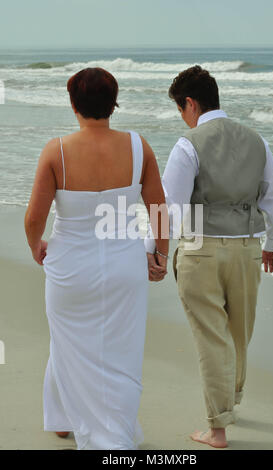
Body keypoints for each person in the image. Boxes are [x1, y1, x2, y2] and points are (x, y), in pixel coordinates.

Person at [145, 65, 273, 449]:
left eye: (181, 108)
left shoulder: (188, 143)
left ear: (190, 103)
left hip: (201, 250)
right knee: (239, 334)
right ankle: (232, 403)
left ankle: (218, 429)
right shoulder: (257, 141)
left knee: (211, 337)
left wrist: (155, 252)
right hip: (246, 250)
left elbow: (168, 207)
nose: (182, 117)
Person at [24, 67, 168, 450]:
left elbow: (34, 217)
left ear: (73, 104)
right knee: (120, 354)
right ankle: (65, 416)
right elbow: (159, 209)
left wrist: (36, 244)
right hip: (124, 267)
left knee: (67, 342)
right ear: (114, 102)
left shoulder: (57, 151)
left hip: (71, 267)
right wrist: (160, 255)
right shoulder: (139, 147)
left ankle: (106, 442)